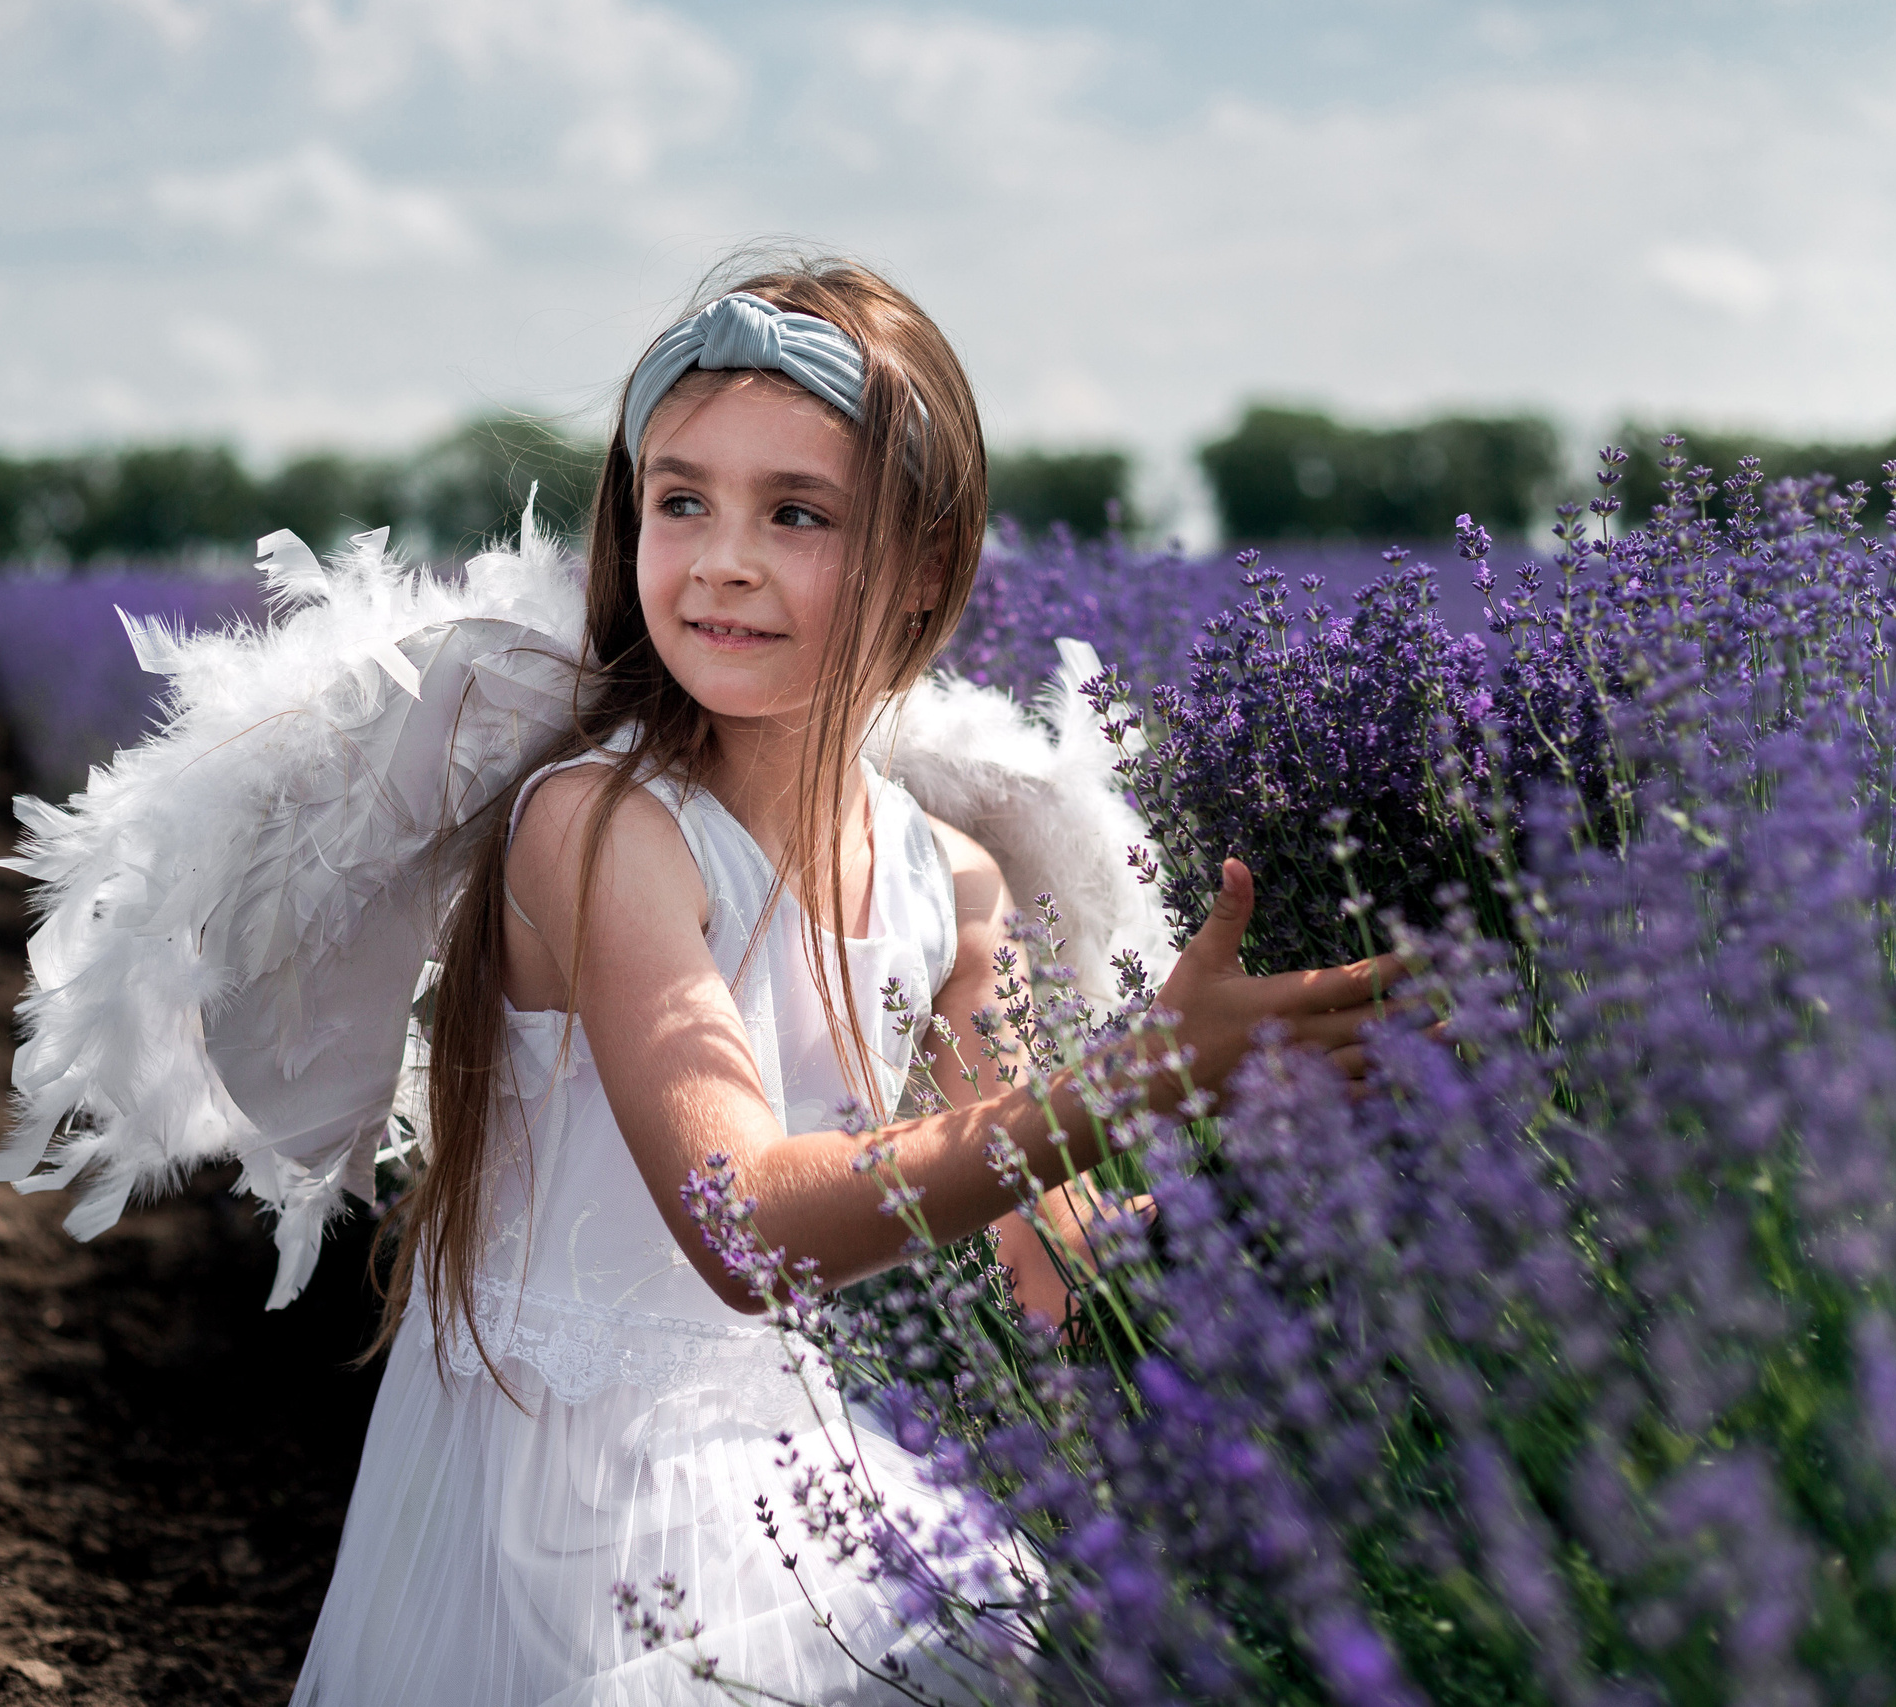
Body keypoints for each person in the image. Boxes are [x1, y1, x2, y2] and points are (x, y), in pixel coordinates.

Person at [281, 257, 1396, 1704]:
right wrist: (1134, 1082)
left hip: (781, 1467)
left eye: (795, 514)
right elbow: (744, 1226)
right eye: (682, 502)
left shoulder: (950, 880)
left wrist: (1258, 1192)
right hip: (564, 1505)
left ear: (923, 566)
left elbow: (1039, 1257)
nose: (722, 561)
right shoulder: (602, 828)